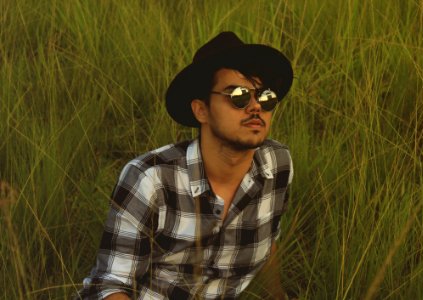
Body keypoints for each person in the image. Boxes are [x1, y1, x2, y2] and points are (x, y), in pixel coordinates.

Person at [78, 31, 294, 299]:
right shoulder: (151, 179)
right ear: (201, 110)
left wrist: (278, 295)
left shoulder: (278, 165)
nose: (255, 107)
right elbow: (110, 286)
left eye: (265, 97)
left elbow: (268, 241)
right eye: (238, 96)